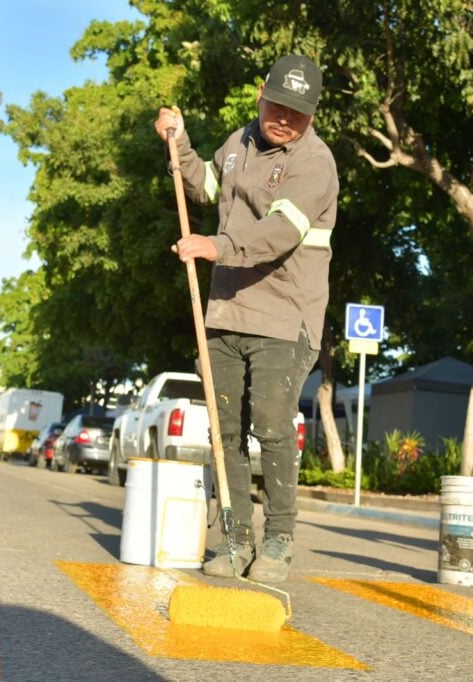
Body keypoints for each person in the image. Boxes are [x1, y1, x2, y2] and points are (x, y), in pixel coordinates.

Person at [154, 54, 338, 583]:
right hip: (227, 312)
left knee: (273, 426)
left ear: (312, 114)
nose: (285, 118)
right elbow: (203, 187)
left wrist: (215, 245)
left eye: (298, 113)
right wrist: (180, 142)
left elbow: (278, 233)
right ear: (261, 94)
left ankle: (278, 540)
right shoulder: (237, 144)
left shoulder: (315, 164)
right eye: (278, 105)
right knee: (224, 430)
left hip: (286, 318)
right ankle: (234, 540)